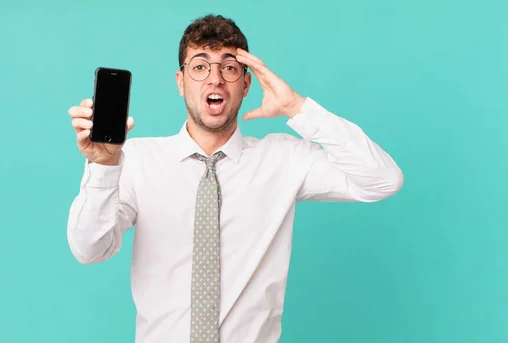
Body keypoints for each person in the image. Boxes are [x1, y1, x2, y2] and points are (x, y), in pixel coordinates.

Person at [67, 14, 403, 343]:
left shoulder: (284, 159)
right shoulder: (135, 160)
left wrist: (297, 107)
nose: (214, 80)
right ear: (181, 82)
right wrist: (104, 168)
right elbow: (90, 250)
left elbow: (383, 180)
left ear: (245, 83)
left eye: (228, 67)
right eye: (199, 66)